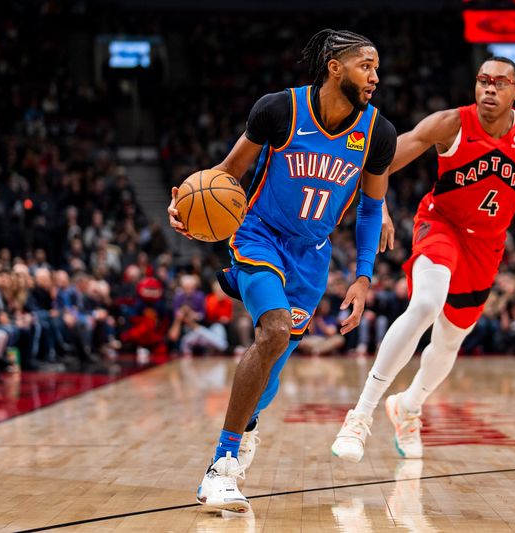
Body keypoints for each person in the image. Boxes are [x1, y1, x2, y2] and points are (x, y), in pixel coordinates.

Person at [168, 29, 396, 512]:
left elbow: (372, 209)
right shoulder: (279, 109)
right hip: (258, 236)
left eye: (377, 68)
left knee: (270, 370)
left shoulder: (379, 133)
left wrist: (361, 276)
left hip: (311, 257)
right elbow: (227, 172)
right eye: (366, 66)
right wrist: (188, 207)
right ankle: (221, 467)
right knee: (271, 332)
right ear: (335, 67)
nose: (375, 76)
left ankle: (246, 428)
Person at [331, 57, 515, 462]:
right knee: (427, 303)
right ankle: (360, 415)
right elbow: (378, 163)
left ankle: (408, 406)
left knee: (450, 340)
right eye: (483, 80)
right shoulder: (450, 123)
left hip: (486, 246)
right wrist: (375, 204)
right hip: (440, 225)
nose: (490, 88)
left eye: (500, 83)